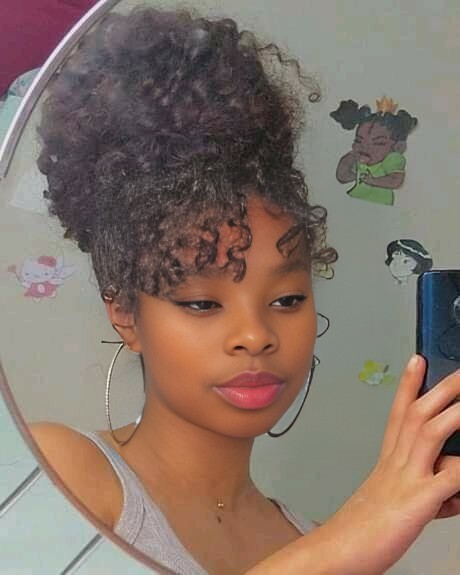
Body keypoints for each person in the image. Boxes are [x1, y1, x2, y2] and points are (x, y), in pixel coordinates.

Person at [29, 6, 460, 575]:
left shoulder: (315, 540)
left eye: (287, 300)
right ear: (125, 314)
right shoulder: (62, 472)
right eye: (202, 303)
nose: (255, 336)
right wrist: (357, 531)